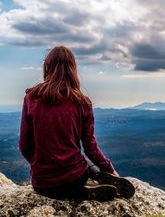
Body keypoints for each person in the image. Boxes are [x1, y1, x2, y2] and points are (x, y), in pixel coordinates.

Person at [19, 46, 135, 201]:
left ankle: (83, 192)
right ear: (72, 69)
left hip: (42, 184)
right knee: (81, 159)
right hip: (74, 179)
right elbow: (90, 148)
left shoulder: (31, 98)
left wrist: (39, 165)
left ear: (47, 67)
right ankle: (97, 176)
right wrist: (110, 169)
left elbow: (24, 145)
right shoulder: (82, 102)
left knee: (76, 162)